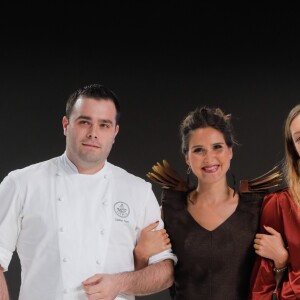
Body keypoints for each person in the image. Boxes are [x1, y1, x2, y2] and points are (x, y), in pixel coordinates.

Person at [0, 84, 177, 300]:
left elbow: (165, 272)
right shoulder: (22, 184)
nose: (93, 133)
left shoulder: (138, 191)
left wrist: (119, 283)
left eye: (104, 125)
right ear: (66, 125)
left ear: (115, 132)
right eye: (84, 122)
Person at [134, 106, 287, 299]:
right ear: (187, 158)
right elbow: (139, 281)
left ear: (230, 151)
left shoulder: (259, 209)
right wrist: (141, 254)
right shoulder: (169, 212)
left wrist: (281, 261)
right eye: (198, 150)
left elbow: (280, 288)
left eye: (217, 147)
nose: (209, 158)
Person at [250, 104, 300, 299]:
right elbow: (260, 290)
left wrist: (283, 261)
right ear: (294, 148)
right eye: (299, 138)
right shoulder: (279, 204)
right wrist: (280, 263)